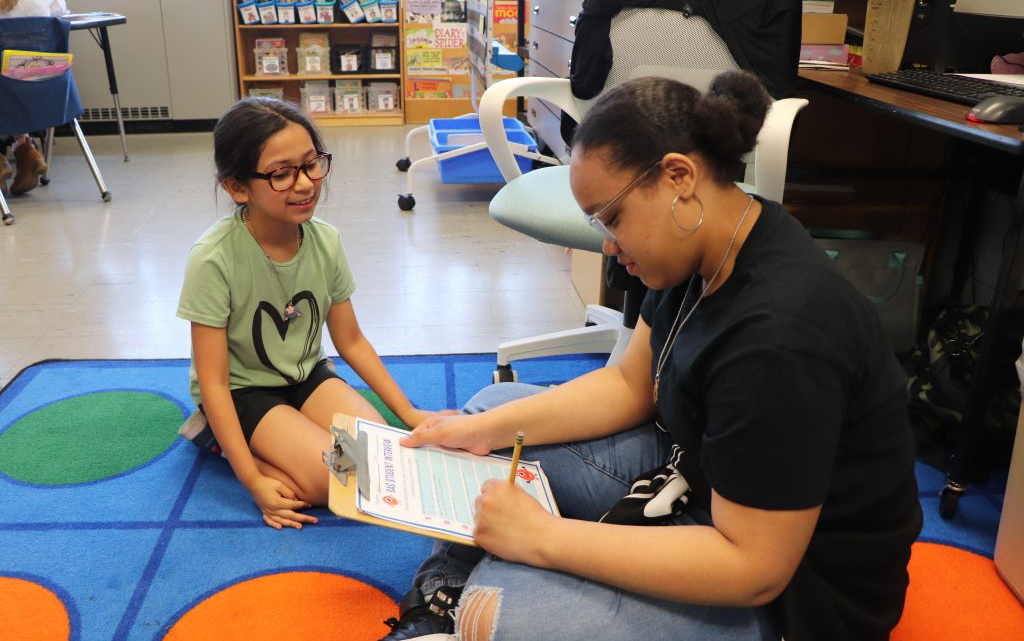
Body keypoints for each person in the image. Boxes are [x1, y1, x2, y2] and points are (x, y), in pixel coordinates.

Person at [380, 72, 922, 641]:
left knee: (498, 613)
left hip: (794, 593)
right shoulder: (695, 241)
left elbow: (754, 570)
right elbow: (630, 385)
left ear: (678, 177)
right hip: (695, 478)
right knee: (487, 415)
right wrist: (484, 431)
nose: (609, 246)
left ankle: (459, 589)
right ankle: (448, 592)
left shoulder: (780, 335)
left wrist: (543, 538)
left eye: (612, 218)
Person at [177, 97, 451, 530]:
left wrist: (410, 415)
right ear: (237, 187)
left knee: (379, 460)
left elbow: (351, 341)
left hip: (306, 376)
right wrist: (252, 479)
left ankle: (276, 447)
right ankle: (221, 442)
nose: (304, 184)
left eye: (311, 165)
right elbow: (213, 382)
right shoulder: (213, 259)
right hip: (243, 392)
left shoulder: (325, 240)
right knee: (335, 479)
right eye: (281, 174)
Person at [0, 0, 67, 196]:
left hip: (6, 98)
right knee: (13, 69)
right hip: (47, 92)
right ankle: (25, 148)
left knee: (6, 75)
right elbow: (61, 13)